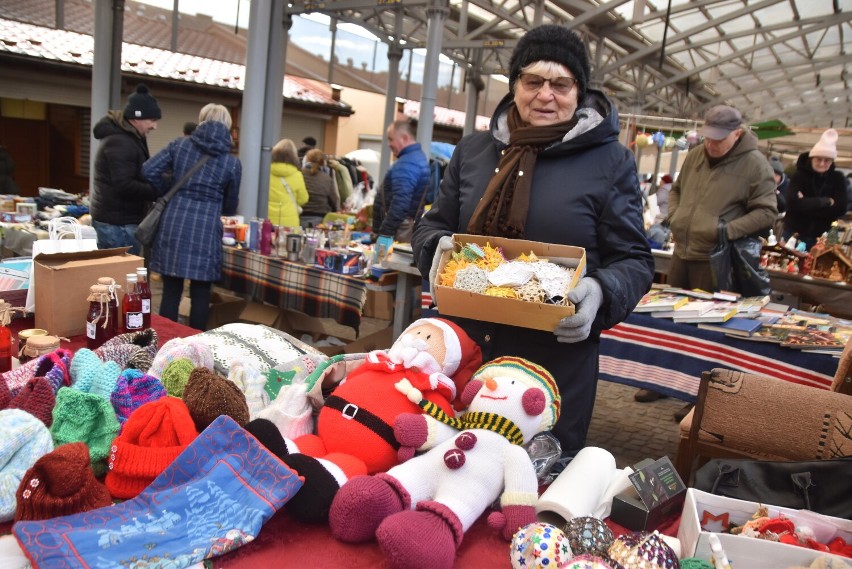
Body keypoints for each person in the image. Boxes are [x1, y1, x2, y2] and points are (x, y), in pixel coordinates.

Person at [411, 24, 654, 466]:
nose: (546, 95)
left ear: (579, 91)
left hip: (550, 366)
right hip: (466, 352)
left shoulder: (610, 161)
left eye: (561, 84)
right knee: (446, 467)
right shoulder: (475, 151)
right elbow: (433, 226)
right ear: (515, 85)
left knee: (526, 489)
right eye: (533, 81)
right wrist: (437, 250)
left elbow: (634, 259)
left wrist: (600, 292)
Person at [634, 104, 777, 406]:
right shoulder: (697, 154)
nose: (711, 144)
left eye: (719, 139)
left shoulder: (755, 165)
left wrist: (724, 230)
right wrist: (675, 215)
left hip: (715, 260)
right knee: (671, 322)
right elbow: (677, 189)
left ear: (737, 134)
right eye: (708, 136)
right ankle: (662, 382)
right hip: (683, 253)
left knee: (708, 328)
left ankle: (698, 397)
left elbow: (766, 212)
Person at [141, 103, 241, 331]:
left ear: (201, 119)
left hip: (174, 222)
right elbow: (231, 205)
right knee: (201, 292)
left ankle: (165, 339)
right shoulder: (231, 162)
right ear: (227, 126)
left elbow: (149, 170)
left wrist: (170, 187)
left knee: (171, 289)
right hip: (206, 228)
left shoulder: (180, 145)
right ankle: (196, 342)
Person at [90, 84, 162, 255]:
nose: (155, 126)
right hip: (118, 225)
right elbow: (124, 185)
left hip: (118, 222)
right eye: (152, 120)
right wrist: (156, 190)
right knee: (121, 278)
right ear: (136, 119)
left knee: (121, 276)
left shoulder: (129, 138)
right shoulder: (121, 142)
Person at [782, 129, 847, 250]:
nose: (822, 164)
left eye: (827, 160)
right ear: (812, 158)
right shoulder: (799, 175)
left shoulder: (838, 178)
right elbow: (792, 203)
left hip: (824, 236)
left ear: (832, 161)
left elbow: (840, 208)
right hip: (794, 232)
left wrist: (805, 203)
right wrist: (825, 202)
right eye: (818, 159)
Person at [373, 119, 431, 242]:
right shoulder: (415, 158)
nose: (389, 144)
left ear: (404, 138)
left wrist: (384, 234)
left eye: (391, 139)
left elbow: (400, 202)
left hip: (398, 231)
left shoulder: (408, 163)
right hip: (403, 228)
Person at [269, 138, 308, 227]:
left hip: (267, 220)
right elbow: (303, 199)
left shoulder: (266, 172)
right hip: (289, 223)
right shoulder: (297, 175)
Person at [300, 148, 339, 228]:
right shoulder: (327, 178)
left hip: (300, 215)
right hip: (320, 218)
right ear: (323, 162)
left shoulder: (299, 174)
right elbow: (334, 200)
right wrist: (336, 210)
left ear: (306, 159)